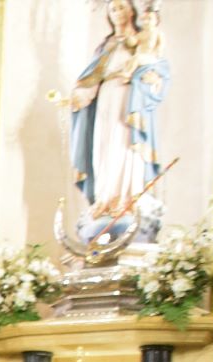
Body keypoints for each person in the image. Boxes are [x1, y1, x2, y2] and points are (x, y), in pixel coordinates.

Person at [70, 0, 169, 229]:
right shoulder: (106, 46)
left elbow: (158, 68)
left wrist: (150, 79)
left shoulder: (143, 39)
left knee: (125, 145)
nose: (117, 12)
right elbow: (93, 77)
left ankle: (128, 198)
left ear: (132, 11)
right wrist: (81, 94)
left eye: (122, 7)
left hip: (129, 100)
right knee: (104, 149)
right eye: (113, 9)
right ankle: (105, 199)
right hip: (106, 100)